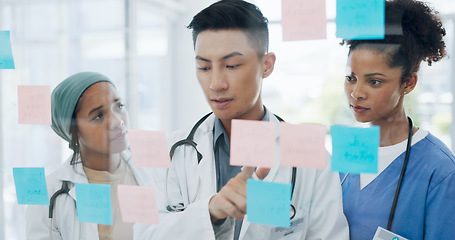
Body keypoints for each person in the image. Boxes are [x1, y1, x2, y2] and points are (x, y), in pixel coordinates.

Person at [135, 0, 349, 239]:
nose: (216, 83)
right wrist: (211, 211)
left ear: (266, 65)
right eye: (204, 67)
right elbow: (144, 233)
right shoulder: (168, 153)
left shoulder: (313, 159)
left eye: (231, 65)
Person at [339, 0, 455, 239]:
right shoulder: (349, 149)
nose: (356, 92)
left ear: (408, 83)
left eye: (374, 81)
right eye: (351, 78)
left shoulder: (441, 170)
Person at [25, 72, 154, 240]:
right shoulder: (48, 196)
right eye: (98, 116)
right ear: (73, 132)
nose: (117, 122)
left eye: (119, 106)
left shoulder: (152, 172)